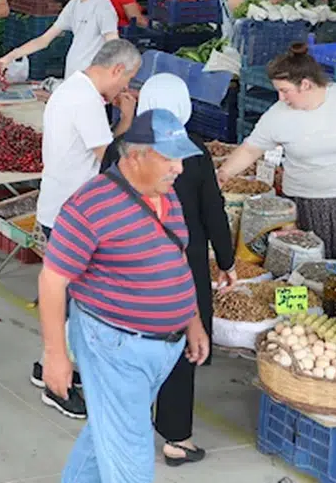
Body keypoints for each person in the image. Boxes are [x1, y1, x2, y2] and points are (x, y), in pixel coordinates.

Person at [40, 109, 210, 483]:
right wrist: (55, 355)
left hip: (161, 346)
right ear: (135, 156)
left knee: (108, 432)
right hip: (115, 345)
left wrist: (192, 321)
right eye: (169, 158)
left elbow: (177, 258)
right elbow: (52, 281)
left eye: (181, 158)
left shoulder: (166, 196)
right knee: (131, 457)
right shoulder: (90, 206)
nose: (179, 169)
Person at [98, 74, 237, 466]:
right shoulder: (192, 152)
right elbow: (213, 212)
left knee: (130, 347)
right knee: (179, 350)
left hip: (126, 264)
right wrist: (226, 262)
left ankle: (127, 430)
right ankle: (177, 439)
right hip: (178, 268)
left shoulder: (120, 149)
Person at [30, 39, 140, 419]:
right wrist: (127, 118)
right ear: (116, 70)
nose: (124, 90)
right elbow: (111, 160)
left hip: (58, 208)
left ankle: (46, 364)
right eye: (126, 81)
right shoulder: (88, 101)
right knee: (76, 301)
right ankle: (58, 384)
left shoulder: (70, 87)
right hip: (72, 216)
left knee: (62, 298)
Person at [217, 44, 336, 265]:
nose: (281, 98)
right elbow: (250, 149)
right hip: (306, 208)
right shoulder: (277, 116)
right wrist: (224, 172)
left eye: (284, 90)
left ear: (305, 84)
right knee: (311, 274)